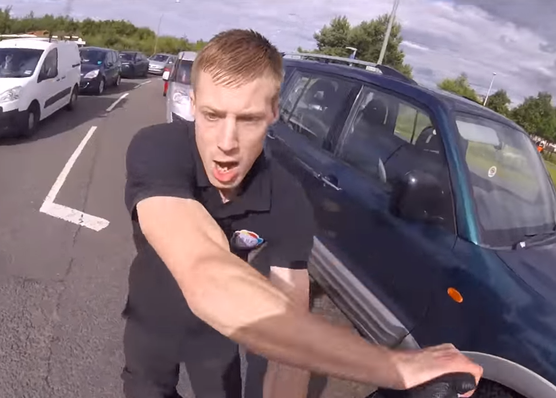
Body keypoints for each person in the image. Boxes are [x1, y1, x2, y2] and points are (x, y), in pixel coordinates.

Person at [122, 29, 483, 398]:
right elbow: (204, 272)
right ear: (193, 104)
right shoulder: (157, 148)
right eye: (213, 115)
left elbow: (289, 348)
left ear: (274, 112)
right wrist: (397, 367)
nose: (226, 143)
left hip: (224, 331)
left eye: (248, 120)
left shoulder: (287, 198)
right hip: (152, 319)